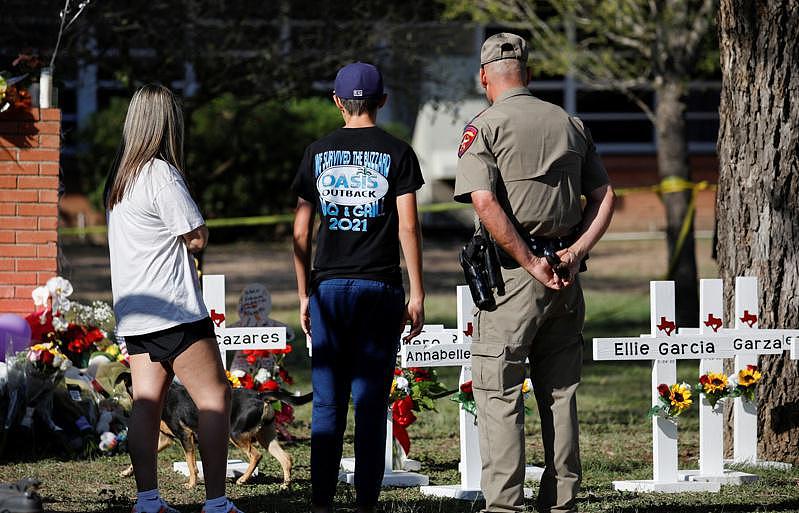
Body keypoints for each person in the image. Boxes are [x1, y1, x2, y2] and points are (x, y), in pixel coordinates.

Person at [454, 34, 615, 513]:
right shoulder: (569, 122)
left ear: (484, 75)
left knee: (498, 391)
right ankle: (562, 502)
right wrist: (573, 252)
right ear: (529, 72)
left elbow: (483, 201)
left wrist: (530, 262)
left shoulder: (484, 126)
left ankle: (504, 506)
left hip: (513, 278)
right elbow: (605, 196)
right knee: (561, 393)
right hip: (566, 276)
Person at [292, 62, 425, 513]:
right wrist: (418, 291)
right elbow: (409, 226)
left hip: (328, 288)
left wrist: (303, 293)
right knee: (370, 404)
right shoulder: (399, 152)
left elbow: (301, 229)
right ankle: (367, 503)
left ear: (336, 102)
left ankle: (322, 502)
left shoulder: (317, 151)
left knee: (327, 404)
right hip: (380, 287)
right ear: (382, 102)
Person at [105, 84, 242, 513]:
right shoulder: (160, 173)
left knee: (147, 404)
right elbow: (196, 236)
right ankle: (216, 503)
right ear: (168, 124)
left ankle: (148, 500)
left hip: (136, 311)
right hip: (175, 309)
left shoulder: (119, 179)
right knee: (215, 397)